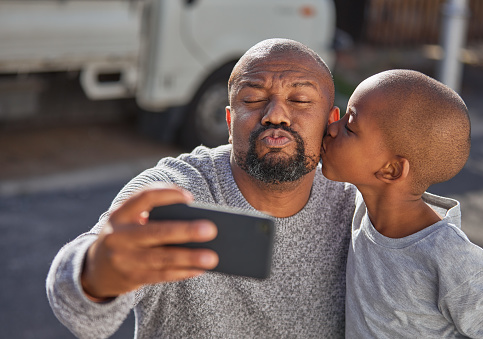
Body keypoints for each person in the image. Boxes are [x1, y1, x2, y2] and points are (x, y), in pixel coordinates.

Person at [47, 38, 358, 338]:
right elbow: (77, 303)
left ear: (331, 122)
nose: (275, 115)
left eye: (300, 100)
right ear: (229, 121)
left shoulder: (357, 207)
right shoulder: (174, 191)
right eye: (252, 99)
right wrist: (95, 274)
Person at [321, 69, 483, 338]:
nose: (331, 127)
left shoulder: (453, 260)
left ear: (391, 170)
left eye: (349, 128)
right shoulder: (360, 206)